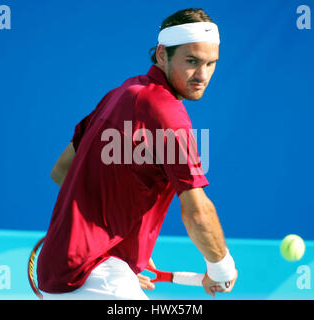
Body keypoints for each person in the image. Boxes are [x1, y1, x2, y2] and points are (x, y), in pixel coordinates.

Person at [37, 8, 238, 300]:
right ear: (161, 54)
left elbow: (62, 170)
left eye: (211, 63)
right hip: (97, 278)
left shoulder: (120, 94)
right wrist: (222, 268)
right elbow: (197, 212)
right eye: (192, 61)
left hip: (65, 272)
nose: (202, 75)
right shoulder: (168, 113)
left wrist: (124, 245)